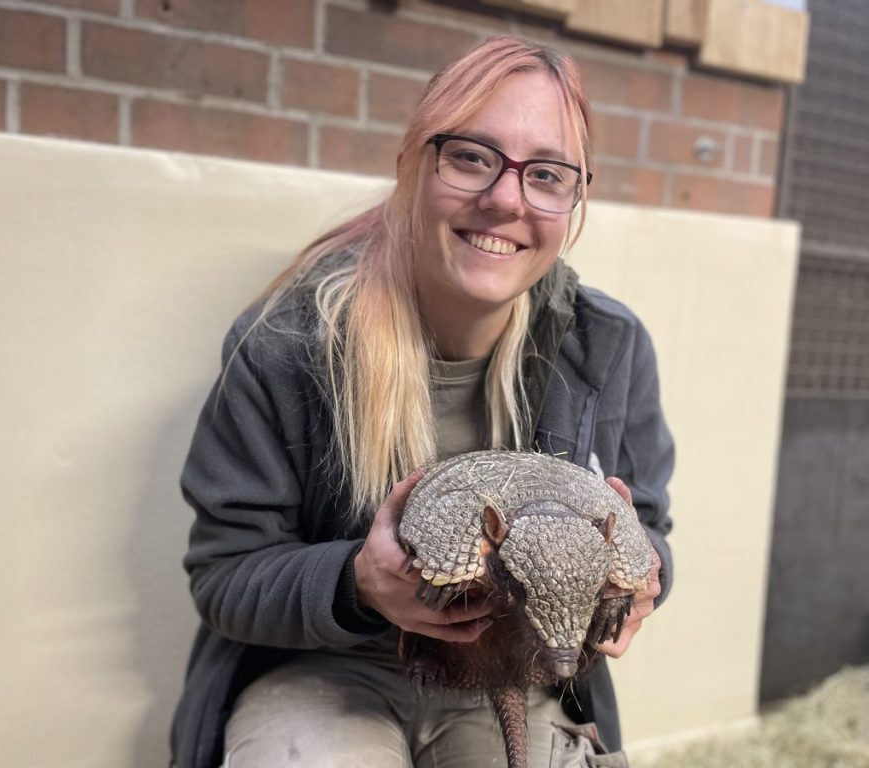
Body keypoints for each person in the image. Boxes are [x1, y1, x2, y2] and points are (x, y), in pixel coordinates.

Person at [170, 35, 674, 768]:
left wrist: (633, 575)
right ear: (412, 163)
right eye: (471, 156)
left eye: (546, 174)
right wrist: (357, 584)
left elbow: (653, 530)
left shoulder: (607, 346)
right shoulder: (285, 343)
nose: (505, 198)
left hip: (513, 669)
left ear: (574, 196)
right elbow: (225, 576)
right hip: (325, 668)